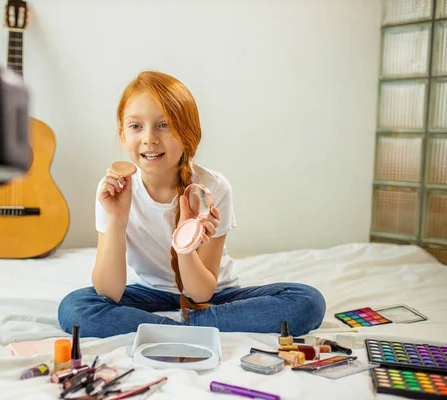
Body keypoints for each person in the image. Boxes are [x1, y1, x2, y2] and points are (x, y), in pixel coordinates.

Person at [58, 71, 325, 338]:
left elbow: (201, 292)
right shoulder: (114, 190)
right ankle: (187, 328)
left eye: (164, 125)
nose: (149, 138)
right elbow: (109, 292)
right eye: (136, 126)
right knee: (74, 309)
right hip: (151, 294)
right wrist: (116, 219)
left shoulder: (213, 187)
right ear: (122, 134)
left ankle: (173, 327)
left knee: (308, 302)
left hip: (216, 296)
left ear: (187, 133)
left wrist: (185, 245)